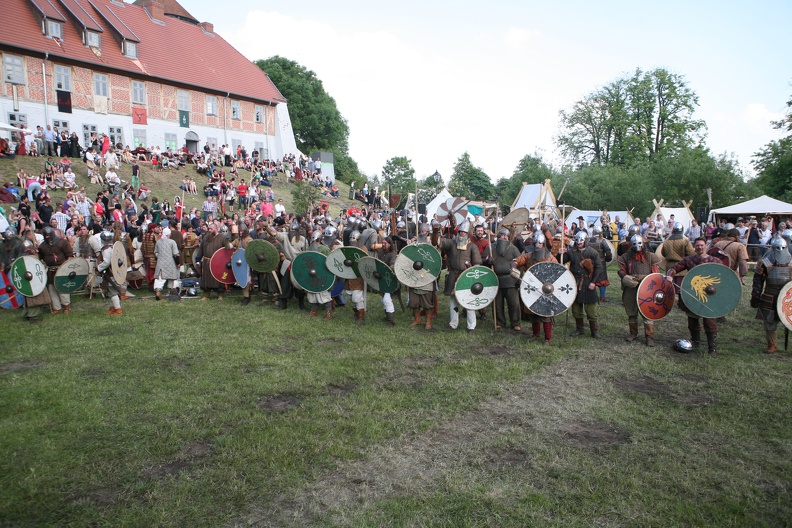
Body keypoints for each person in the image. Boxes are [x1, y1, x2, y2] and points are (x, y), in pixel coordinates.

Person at [667, 238, 725, 356]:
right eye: (697, 245)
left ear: (706, 246)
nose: (700, 247)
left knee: (709, 321)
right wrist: (670, 276)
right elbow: (674, 269)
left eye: (702, 245)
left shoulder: (715, 260)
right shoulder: (689, 260)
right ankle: (695, 341)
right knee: (692, 319)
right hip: (694, 293)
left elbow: (724, 274)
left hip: (710, 294)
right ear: (694, 246)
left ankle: (712, 348)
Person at [437, 220, 482, 332]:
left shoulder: (472, 246)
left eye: (464, 232)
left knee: (468, 301)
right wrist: (435, 231)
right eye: (461, 232)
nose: (462, 234)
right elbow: (438, 242)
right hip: (453, 274)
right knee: (453, 301)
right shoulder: (452, 243)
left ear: (467, 234)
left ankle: (471, 326)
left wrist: (472, 271)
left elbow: (477, 263)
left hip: (466, 276)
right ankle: (453, 323)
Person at [618, 234, 663, 346]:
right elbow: (622, 270)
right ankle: (633, 333)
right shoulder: (626, 256)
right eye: (635, 244)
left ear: (643, 244)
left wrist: (652, 284)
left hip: (647, 286)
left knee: (647, 310)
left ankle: (649, 336)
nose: (637, 246)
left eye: (639, 244)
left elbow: (655, 272)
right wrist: (624, 277)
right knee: (631, 311)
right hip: (632, 285)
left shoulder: (650, 256)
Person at [751, 237, 792, 354]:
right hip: (770, 295)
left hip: (788, 295)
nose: (780, 250)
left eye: (782, 248)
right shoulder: (765, 262)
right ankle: (772, 344)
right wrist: (756, 297)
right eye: (777, 248)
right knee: (769, 322)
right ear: (772, 248)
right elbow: (757, 283)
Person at [560, 231, 604, 338]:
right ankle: (579, 329)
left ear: (585, 241)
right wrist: (560, 253)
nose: (579, 243)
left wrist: (593, 282)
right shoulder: (571, 252)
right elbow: (561, 261)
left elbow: (598, 268)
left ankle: (594, 331)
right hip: (575, 282)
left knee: (591, 309)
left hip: (588, 281)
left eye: (581, 241)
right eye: (578, 241)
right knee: (576, 308)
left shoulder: (592, 252)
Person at [491, 227, 521, 332]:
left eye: (506, 236)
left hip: (510, 279)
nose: (503, 237)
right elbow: (483, 261)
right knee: (497, 304)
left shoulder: (513, 249)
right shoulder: (491, 248)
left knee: (514, 303)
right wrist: (487, 261)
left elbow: (520, 262)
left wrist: (518, 279)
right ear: (499, 236)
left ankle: (515, 322)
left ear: (508, 237)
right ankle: (499, 322)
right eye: (502, 235)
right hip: (496, 278)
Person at [38, 226, 73, 314]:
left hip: (61, 268)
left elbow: (69, 256)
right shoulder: (42, 246)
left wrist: (67, 268)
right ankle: (57, 307)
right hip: (50, 270)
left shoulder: (62, 242)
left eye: (48, 235)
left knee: (62, 287)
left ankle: (66, 306)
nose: (47, 237)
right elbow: (40, 258)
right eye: (45, 235)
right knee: (52, 289)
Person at [96, 230, 123, 315]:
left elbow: (107, 262)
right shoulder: (113, 247)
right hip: (114, 271)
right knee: (111, 291)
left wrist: (98, 267)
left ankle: (118, 309)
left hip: (110, 272)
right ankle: (112, 308)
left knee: (112, 291)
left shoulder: (106, 249)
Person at [153, 227, 181, 301]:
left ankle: (158, 291)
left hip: (160, 263)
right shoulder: (172, 242)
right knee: (172, 278)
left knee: (160, 279)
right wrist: (178, 263)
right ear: (169, 234)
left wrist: (159, 257)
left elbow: (155, 252)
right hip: (170, 263)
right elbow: (176, 254)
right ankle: (172, 291)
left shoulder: (158, 242)